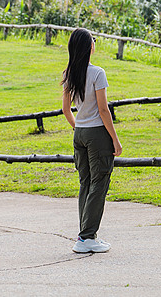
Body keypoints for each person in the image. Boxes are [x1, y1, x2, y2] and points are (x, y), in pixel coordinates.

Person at [61, 28, 122, 253]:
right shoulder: (97, 73)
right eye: (93, 41)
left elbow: (66, 110)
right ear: (89, 47)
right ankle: (86, 237)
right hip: (97, 135)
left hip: (80, 134)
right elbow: (104, 110)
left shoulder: (69, 73)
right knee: (100, 182)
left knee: (86, 182)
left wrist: (78, 126)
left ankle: (87, 235)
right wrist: (115, 139)